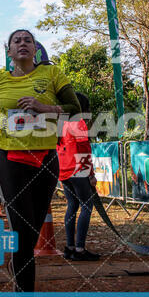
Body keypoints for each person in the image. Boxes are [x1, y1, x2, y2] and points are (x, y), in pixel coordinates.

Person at [0, 29, 81, 292]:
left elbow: (76, 110)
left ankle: (18, 263)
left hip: (46, 158)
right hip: (9, 158)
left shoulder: (52, 74)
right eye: (16, 41)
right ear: (9, 51)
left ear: (36, 49)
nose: (22, 44)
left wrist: (46, 108)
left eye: (28, 40)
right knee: (22, 230)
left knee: (32, 228)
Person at [57, 92, 100, 261]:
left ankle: (69, 247)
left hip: (64, 170)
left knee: (72, 206)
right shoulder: (79, 123)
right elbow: (84, 150)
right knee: (86, 206)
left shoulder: (61, 123)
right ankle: (80, 249)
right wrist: (90, 175)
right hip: (78, 169)